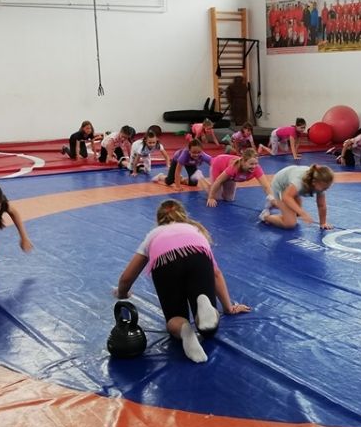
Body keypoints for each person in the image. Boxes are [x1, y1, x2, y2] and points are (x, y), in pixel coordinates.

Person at [115, 199, 250, 363]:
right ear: (183, 216)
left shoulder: (153, 235)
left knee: (174, 318)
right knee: (209, 330)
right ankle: (204, 305)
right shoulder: (195, 230)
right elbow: (216, 273)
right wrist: (228, 308)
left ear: (159, 220)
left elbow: (127, 277)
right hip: (197, 257)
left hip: (165, 262)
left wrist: (122, 293)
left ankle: (185, 331)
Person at [260, 164, 334, 230]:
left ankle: (273, 202)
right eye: (324, 187)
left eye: (327, 187)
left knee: (296, 213)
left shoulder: (320, 184)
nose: (326, 189)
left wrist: (323, 223)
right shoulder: (299, 182)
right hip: (280, 186)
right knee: (290, 223)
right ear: (314, 182)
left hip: (291, 185)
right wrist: (303, 213)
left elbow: (321, 205)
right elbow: (286, 197)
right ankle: (265, 217)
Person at [206, 150, 274, 207]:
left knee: (229, 199)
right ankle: (204, 182)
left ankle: (214, 187)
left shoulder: (257, 169)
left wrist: (272, 199)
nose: (254, 166)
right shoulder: (234, 167)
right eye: (251, 164)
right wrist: (211, 197)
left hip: (230, 177)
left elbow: (266, 186)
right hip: (218, 164)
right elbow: (218, 181)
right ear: (243, 162)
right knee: (217, 198)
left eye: (256, 163)